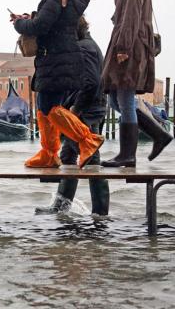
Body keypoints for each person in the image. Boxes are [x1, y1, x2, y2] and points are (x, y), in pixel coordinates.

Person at [12, 0, 104, 169]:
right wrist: (28, 18)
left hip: (56, 60)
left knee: (50, 108)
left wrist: (20, 24)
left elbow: (41, 26)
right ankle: (49, 153)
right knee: (44, 108)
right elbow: (51, 22)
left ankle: (87, 140)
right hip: (58, 59)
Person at [101, 0, 171, 168]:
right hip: (127, 45)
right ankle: (158, 135)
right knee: (115, 99)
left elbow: (131, 16)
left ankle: (127, 155)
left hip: (129, 48)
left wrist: (123, 47)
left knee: (124, 97)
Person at [36, 17, 110, 215]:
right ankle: (62, 208)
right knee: (69, 155)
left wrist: (75, 110)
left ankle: (100, 213)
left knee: (92, 158)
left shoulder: (85, 48)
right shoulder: (87, 44)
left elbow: (91, 83)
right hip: (89, 108)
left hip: (87, 111)